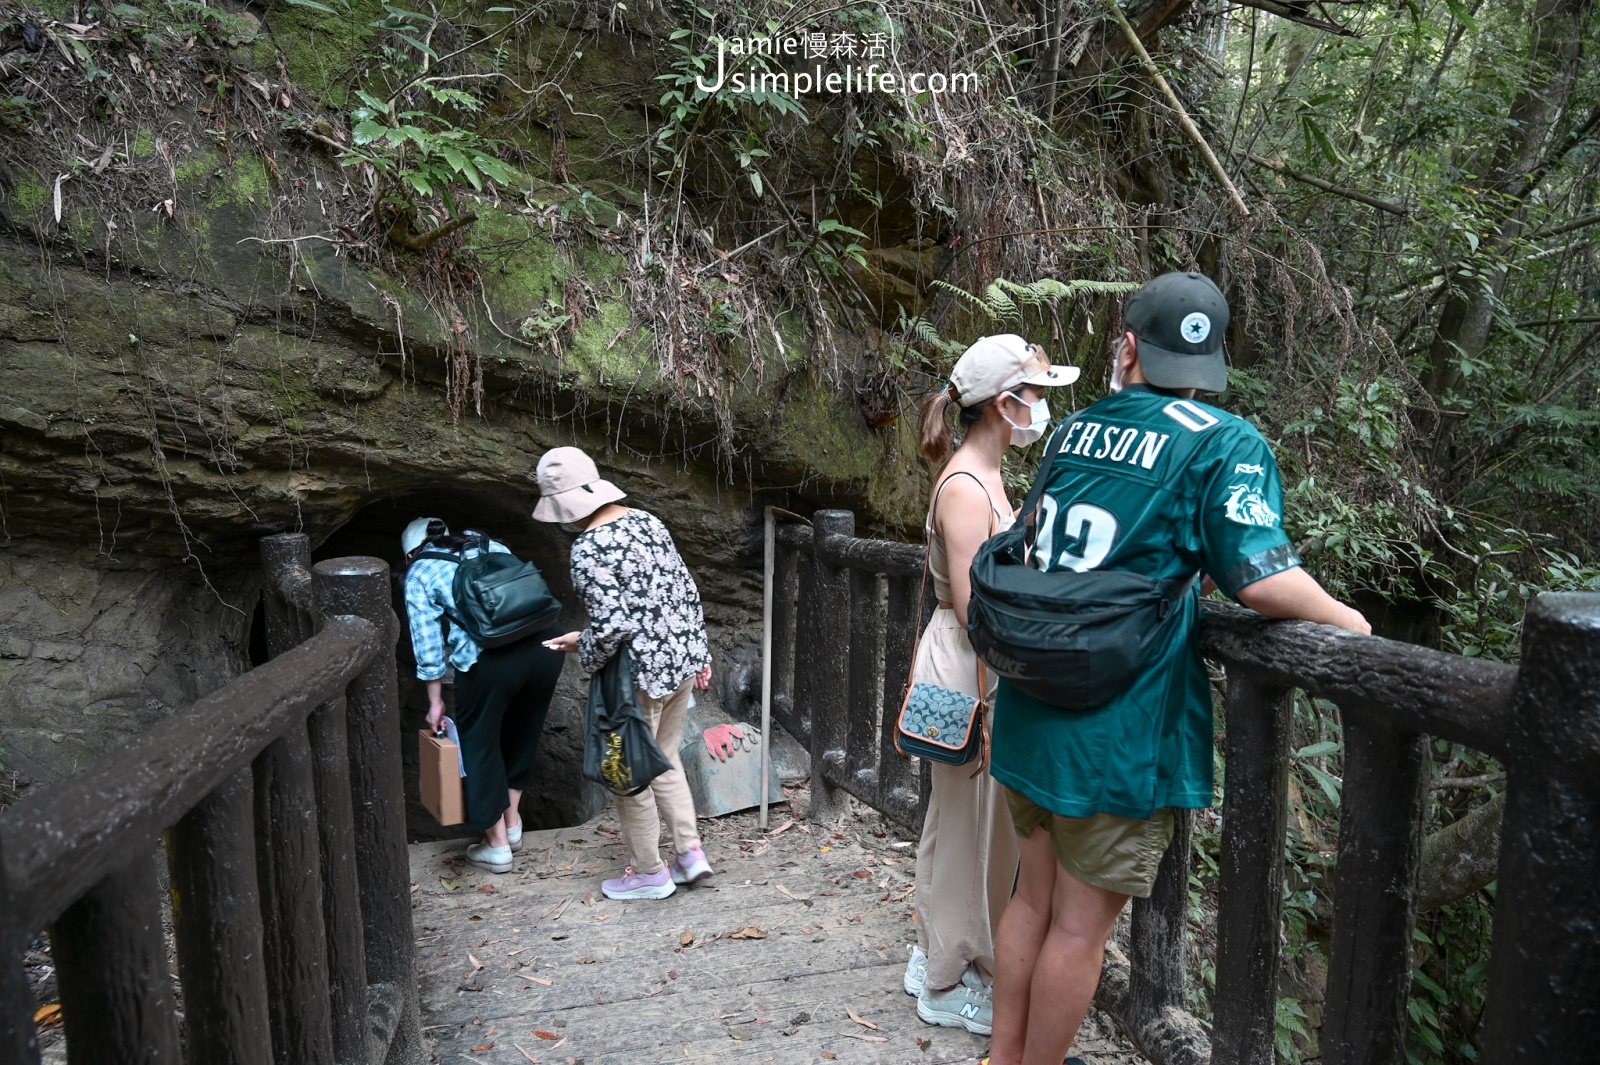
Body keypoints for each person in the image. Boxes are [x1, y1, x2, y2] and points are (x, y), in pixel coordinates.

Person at [983, 272, 1371, 1065]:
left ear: (1127, 346)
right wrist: (1350, 622)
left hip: (1032, 697)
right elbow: (1258, 575)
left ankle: (1003, 1057)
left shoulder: (1074, 431)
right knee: (1080, 927)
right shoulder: (1223, 441)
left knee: (1030, 898)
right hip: (1118, 728)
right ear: (1213, 362)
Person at [906, 335, 1080, 1036]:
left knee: (959, 820)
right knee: (967, 828)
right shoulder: (966, 488)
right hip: (969, 667)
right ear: (1004, 405)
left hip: (972, 663)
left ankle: (935, 954)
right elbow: (981, 607)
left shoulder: (984, 475)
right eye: (1034, 395)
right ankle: (947, 980)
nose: (1039, 407)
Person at [533, 446, 714, 901]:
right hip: (679, 664)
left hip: (638, 678)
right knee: (665, 758)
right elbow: (684, 590)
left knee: (627, 772)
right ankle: (690, 854)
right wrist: (699, 653)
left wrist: (583, 647)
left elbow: (613, 626)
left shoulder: (589, 547)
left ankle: (651, 872)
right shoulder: (647, 521)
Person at [401, 518, 565, 874]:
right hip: (546, 643)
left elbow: (427, 645)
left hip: (490, 660)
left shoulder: (419, 572)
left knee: (481, 745)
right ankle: (513, 824)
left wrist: (435, 700)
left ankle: (497, 846)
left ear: (412, 552)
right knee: (522, 731)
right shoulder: (483, 541)